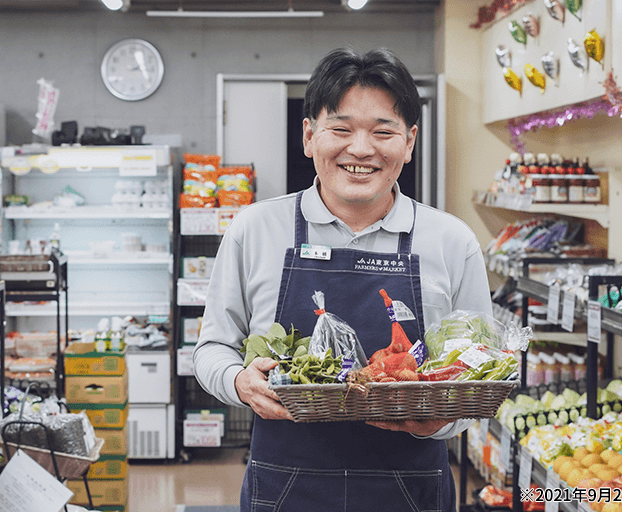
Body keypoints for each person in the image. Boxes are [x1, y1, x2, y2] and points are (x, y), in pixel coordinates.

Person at [193, 47, 493, 511]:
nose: (360, 149)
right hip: (285, 487)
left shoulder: (452, 242)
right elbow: (211, 348)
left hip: (410, 490)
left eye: (383, 131)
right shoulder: (255, 229)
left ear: (409, 142)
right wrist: (238, 381)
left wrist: (438, 421)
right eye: (341, 128)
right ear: (310, 136)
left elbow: (476, 374)